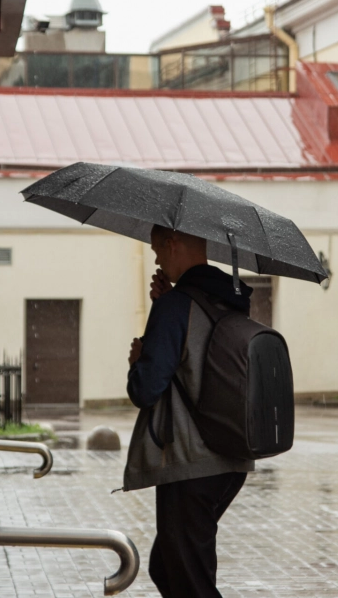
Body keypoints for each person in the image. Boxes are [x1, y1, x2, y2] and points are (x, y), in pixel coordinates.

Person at [123, 225, 253, 598]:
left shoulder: (176, 306)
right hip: (230, 457)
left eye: (158, 249)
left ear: (173, 242)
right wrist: (168, 306)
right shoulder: (228, 300)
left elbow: (145, 389)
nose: (157, 258)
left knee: (190, 581)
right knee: (167, 565)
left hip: (190, 462)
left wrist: (138, 359)